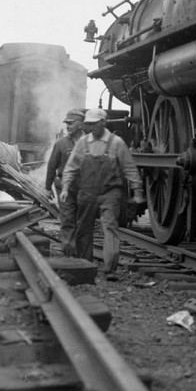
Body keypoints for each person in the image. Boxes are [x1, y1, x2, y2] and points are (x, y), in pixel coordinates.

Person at [60, 108, 145, 278]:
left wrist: (137, 190)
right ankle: (86, 265)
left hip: (110, 193)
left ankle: (110, 269)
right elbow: (71, 168)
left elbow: (129, 168)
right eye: (89, 124)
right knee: (84, 230)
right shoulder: (83, 143)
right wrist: (65, 187)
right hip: (87, 192)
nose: (91, 127)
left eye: (94, 124)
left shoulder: (116, 143)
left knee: (110, 228)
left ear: (103, 123)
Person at [44, 108, 85, 256]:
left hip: (85, 189)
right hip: (65, 189)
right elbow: (51, 166)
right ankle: (68, 256)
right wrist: (47, 188)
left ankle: (82, 255)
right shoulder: (61, 144)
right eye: (66, 123)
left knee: (83, 222)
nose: (67, 126)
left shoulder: (90, 142)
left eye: (71, 123)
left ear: (80, 124)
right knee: (68, 221)